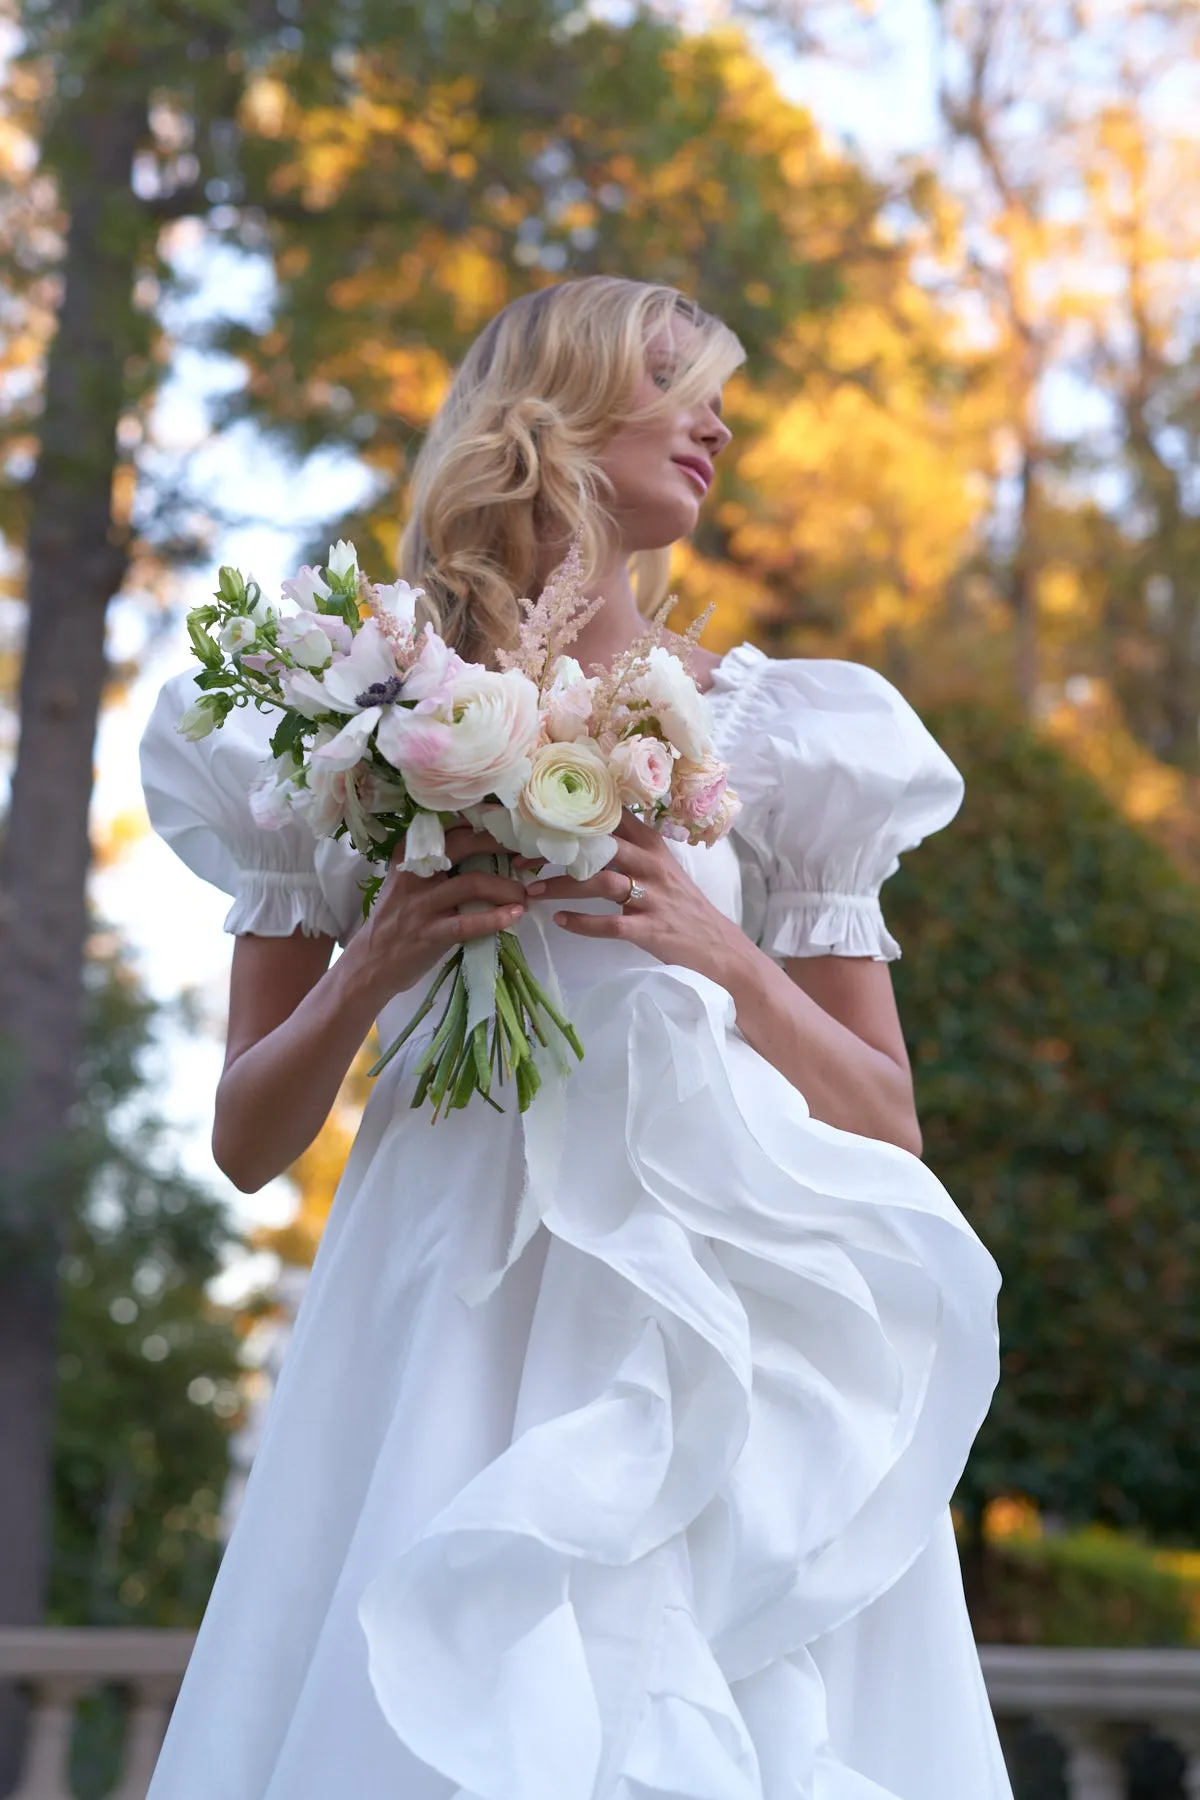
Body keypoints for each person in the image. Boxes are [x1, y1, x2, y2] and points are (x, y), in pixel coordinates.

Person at [140, 276, 1013, 1799]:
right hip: (449, 1304)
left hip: (720, 1313)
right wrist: (371, 973)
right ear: (559, 403)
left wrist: (721, 949)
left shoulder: (789, 741)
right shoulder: (342, 711)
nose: (718, 423)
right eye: (679, 381)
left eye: (720, 392)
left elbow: (888, 1120)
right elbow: (244, 1145)